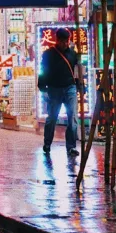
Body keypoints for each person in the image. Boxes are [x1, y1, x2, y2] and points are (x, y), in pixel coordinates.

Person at [38, 28, 81, 156]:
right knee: (52, 118)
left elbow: (77, 72)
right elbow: (43, 71)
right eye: (62, 41)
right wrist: (42, 88)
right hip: (54, 89)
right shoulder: (48, 54)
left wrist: (79, 85)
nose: (64, 44)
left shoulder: (73, 54)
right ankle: (47, 144)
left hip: (70, 88)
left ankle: (71, 146)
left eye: (66, 41)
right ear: (57, 40)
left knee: (73, 117)